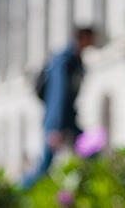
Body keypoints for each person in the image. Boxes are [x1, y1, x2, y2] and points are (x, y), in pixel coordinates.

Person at [20, 27, 95, 189]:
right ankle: (18, 191)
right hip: (57, 119)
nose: (93, 42)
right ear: (82, 37)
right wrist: (55, 127)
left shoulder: (75, 60)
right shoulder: (63, 60)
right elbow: (57, 94)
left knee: (91, 151)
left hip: (68, 118)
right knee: (44, 167)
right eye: (91, 38)